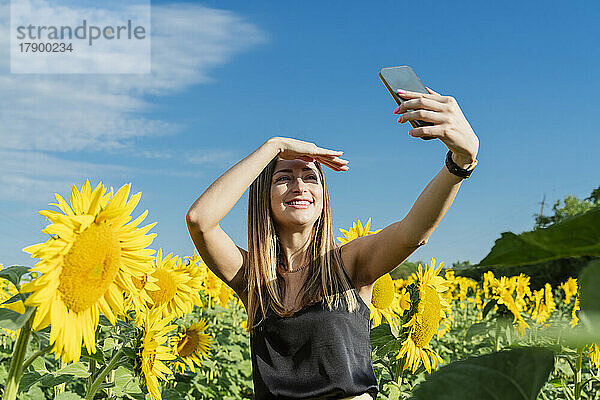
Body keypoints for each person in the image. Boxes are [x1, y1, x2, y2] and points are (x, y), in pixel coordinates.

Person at [186, 87, 479, 399]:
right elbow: (200, 220)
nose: (299, 185)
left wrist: (459, 163)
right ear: (264, 197)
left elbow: (413, 233)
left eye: (311, 178)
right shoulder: (253, 279)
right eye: (284, 177)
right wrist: (273, 146)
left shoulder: (349, 263)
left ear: (322, 199)